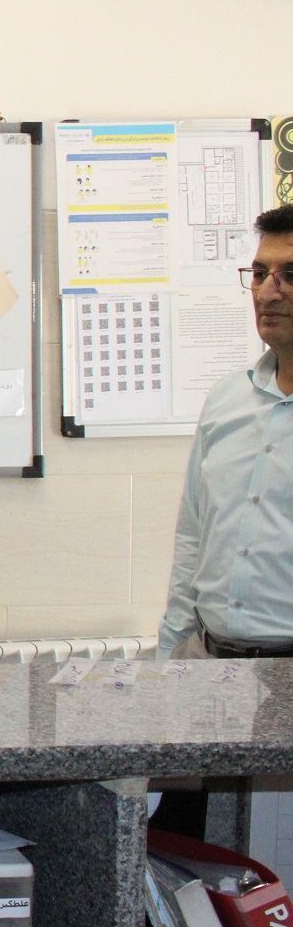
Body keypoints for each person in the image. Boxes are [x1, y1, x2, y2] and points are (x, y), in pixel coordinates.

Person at [159, 205, 293, 658]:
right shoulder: (227, 399)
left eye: (290, 275)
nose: (267, 292)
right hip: (209, 659)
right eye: (259, 274)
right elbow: (193, 535)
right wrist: (171, 653)